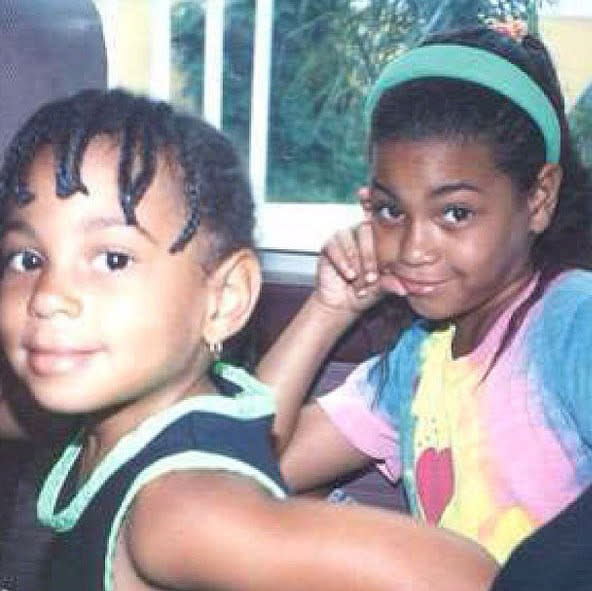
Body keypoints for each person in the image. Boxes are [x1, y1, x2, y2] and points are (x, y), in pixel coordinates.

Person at [0, 88, 497, 591]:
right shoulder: (131, 416)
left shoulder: (178, 509)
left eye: (112, 259)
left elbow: (457, 577)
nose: (49, 297)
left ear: (223, 300)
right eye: (28, 259)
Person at [258, 24, 592, 567]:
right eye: (392, 211)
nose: (413, 248)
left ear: (538, 199)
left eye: (454, 213)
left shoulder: (572, 320)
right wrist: (328, 310)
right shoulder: (419, 361)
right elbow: (246, 465)